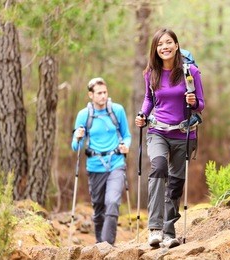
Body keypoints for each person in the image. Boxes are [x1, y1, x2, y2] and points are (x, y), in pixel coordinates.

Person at [135, 28, 205, 248]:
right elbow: (149, 99)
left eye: (168, 43)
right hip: (158, 131)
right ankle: (154, 228)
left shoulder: (190, 71)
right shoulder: (151, 73)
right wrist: (142, 114)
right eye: (159, 44)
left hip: (184, 133)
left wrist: (193, 101)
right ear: (155, 49)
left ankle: (168, 232)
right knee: (158, 168)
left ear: (176, 45)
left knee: (175, 183)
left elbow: (200, 104)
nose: (164, 47)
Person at [72, 77, 132, 245]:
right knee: (98, 208)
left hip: (116, 163)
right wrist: (77, 137)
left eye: (105, 92)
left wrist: (125, 146)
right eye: (99, 93)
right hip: (95, 166)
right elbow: (75, 147)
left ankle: (107, 244)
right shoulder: (84, 115)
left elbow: (126, 135)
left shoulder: (117, 110)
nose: (103, 96)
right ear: (90, 95)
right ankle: (100, 244)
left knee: (112, 202)